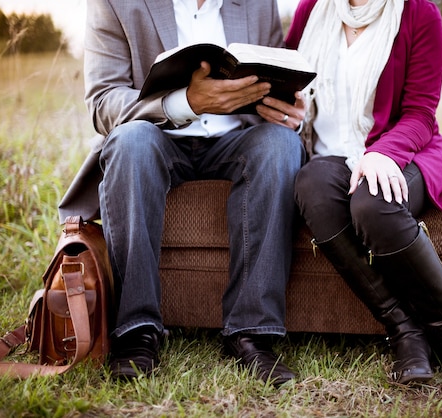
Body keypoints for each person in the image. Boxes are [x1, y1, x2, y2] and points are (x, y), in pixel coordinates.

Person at [58, 0, 306, 385]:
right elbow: (103, 102)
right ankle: (137, 331)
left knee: (281, 145)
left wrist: (285, 106)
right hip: (156, 135)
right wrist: (186, 103)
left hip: (237, 138)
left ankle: (252, 333)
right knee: (130, 142)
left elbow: (274, 78)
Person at [285, 0, 442, 388]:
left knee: (373, 202)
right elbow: (286, 82)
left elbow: (421, 111)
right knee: (311, 185)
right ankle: (405, 331)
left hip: (403, 151)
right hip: (329, 157)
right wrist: (280, 108)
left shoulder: (418, 12)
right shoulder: (311, 10)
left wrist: (382, 153)